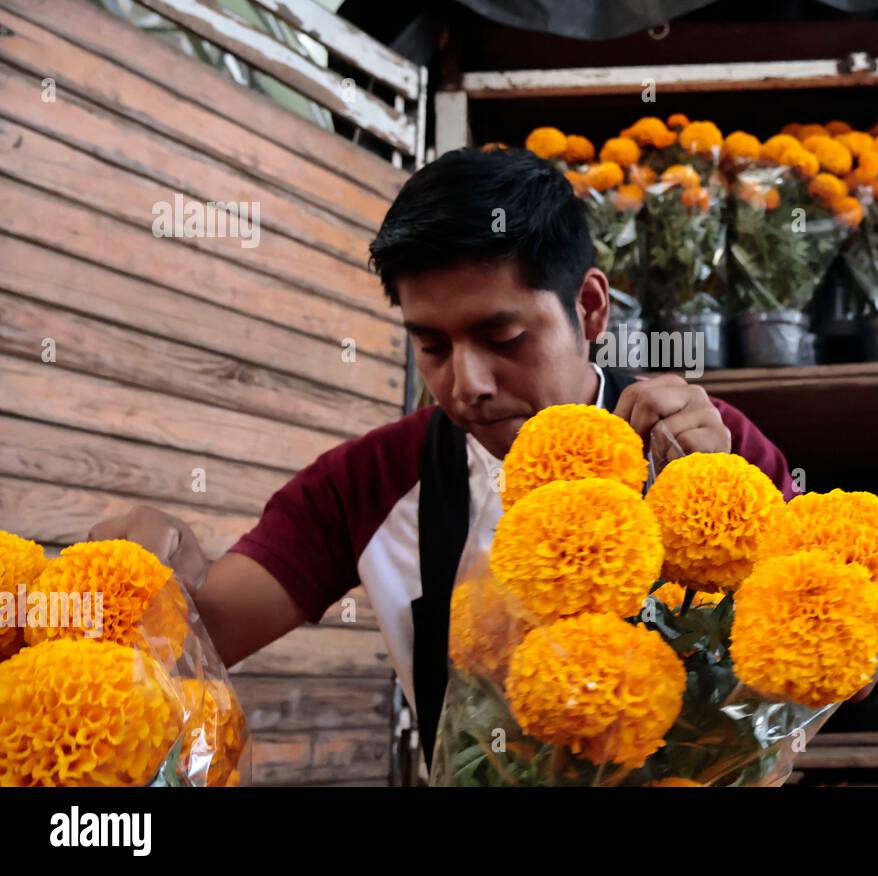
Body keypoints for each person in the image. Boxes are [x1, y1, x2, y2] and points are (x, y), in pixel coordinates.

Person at [88, 147, 800, 768]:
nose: (468, 384)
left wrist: (728, 529)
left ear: (588, 308)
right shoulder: (367, 483)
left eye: (504, 336)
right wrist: (157, 555)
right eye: (431, 346)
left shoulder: (707, 451)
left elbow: (848, 667)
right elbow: (207, 632)